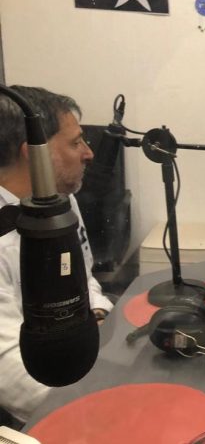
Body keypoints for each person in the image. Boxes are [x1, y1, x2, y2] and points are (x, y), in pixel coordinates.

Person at [0, 85, 114, 424]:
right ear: (33, 153)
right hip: (37, 406)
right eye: (76, 143)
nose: (89, 153)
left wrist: (97, 314)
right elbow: (8, 366)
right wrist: (99, 414)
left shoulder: (60, 203)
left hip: (79, 359)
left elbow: (82, 278)